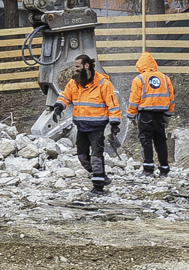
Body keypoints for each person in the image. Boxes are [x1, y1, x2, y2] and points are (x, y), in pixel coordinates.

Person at [49, 54, 120, 193]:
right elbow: (65, 96)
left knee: (96, 155)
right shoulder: (74, 82)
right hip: (81, 126)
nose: (75, 69)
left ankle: (98, 187)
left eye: (77, 66)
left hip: (97, 126)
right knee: (82, 157)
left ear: (86, 66)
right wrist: (58, 107)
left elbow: (113, 104)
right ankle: (101, 176)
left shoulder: (103, 84)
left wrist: (114, 123)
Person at [127, 50, 175, 177]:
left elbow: (134, 99)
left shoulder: (139, 79)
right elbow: (171, 98)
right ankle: (164, 169)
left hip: (145, 115)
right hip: (160, 115)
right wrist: (168, 114)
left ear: (140, 65)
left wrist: (131, 115)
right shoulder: (165, 78)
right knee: (161, 141)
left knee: (146, 141)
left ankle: (148, 169)